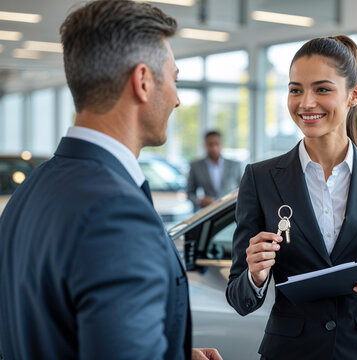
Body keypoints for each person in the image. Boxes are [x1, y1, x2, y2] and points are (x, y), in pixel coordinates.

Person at [0, 1, 222, 359]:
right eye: (175, 79)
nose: (178, 99)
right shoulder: (116, 214)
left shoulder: (32, 188)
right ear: (143, 81)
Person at [225, 35, 357, 360]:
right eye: (295, 90)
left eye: (322, 89)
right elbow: (239, 297)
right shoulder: (261, 178)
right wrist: (255, 275)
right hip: (288, 352)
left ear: (353, 95)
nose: (305, 103)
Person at [187, 130, 242, 209]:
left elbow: (243, 190)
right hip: (209, 213)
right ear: (205, 145)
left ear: (222, 144)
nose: (214, 148)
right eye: (210, 144)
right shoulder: (196, 166)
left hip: (231, 211)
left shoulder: (235, 165)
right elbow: (189, 193)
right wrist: (199, 200)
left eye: (217, 144)